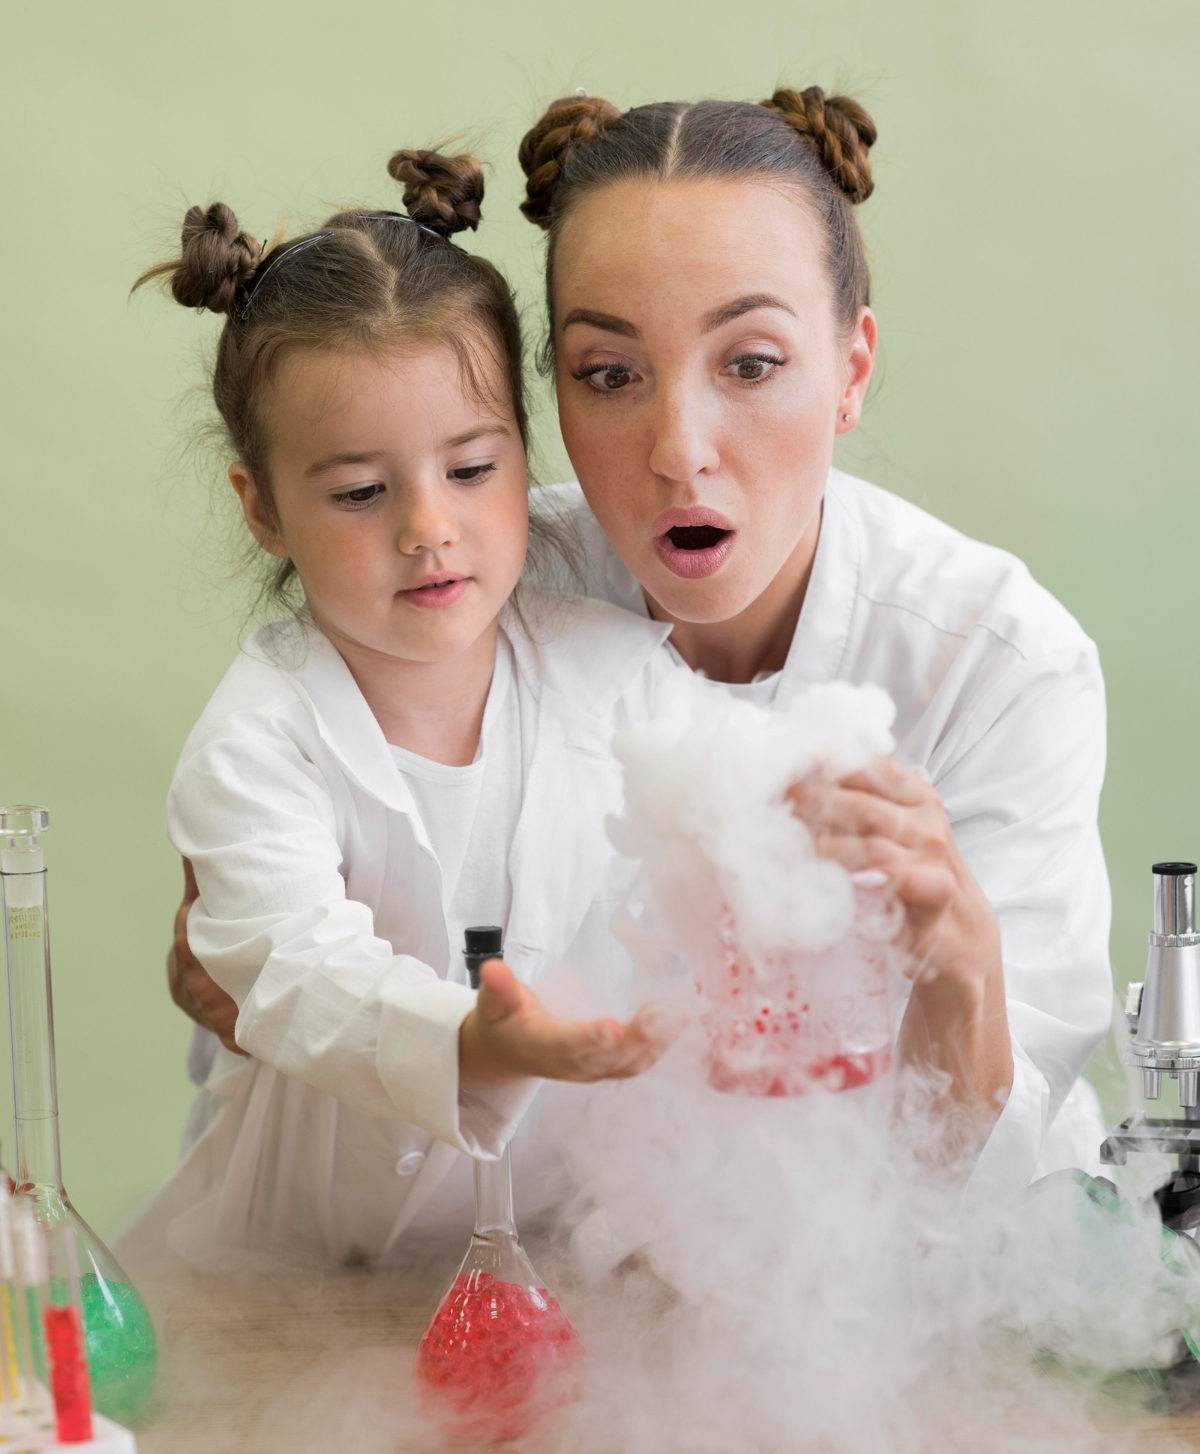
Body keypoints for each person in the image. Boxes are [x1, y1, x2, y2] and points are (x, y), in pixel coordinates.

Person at [170, 86, 1111, 1211]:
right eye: (610, 374)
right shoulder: (478, 579)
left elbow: (991, 1172)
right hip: (493, 1258)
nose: (681, 453)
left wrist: (958, 972)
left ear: (853, 367)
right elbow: (256, 959)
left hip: (907, 1272)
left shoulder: (999, 663)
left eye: (751, 363)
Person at [130, 147, 684, 1267]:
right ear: (265, 508)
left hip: (542, 1254)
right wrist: (468, 1042)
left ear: (530, 458)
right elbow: (291, 970)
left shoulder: (623, 678)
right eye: (360, 492)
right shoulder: (256, 741)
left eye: (473, 471)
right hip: (283, 1269)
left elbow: (727, 879)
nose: (428, 527)